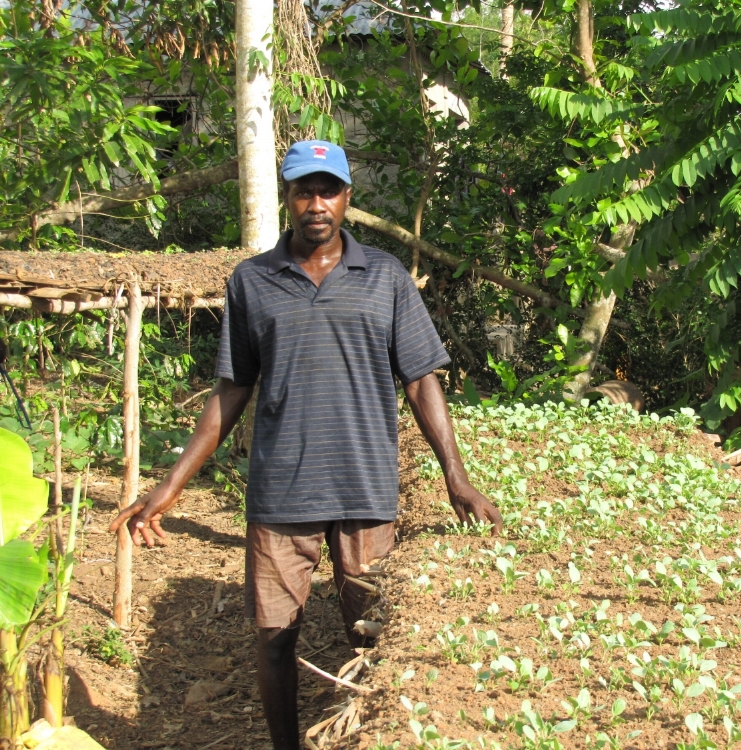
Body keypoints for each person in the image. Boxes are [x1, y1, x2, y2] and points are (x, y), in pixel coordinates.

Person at [110, 140, 503, 750]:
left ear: (347, 197)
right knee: (274, 637)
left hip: (366, 487)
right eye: (303, 191)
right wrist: (169, 486)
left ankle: (369, 736)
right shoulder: (253, 281)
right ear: (287, 198)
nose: (315, 204)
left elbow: (422, 379)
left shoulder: (387, 278)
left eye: (328, 191)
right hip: (281, 491)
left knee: (372, 634)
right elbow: (232, 390)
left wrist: (456, 475)